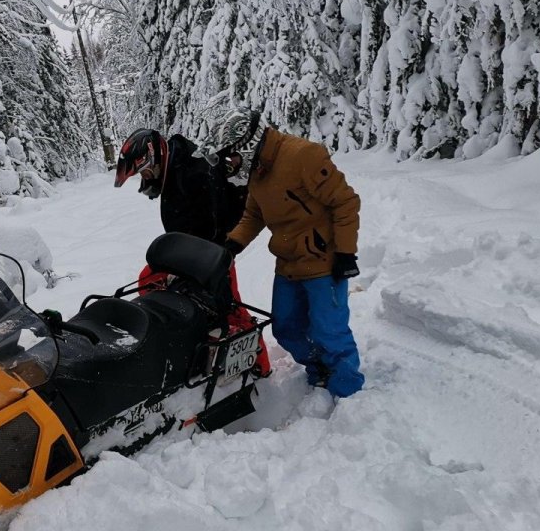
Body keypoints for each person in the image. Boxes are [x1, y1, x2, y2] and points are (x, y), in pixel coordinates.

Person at [212, 110, 364, 397]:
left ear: (247, 142)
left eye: (231, 155)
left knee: (329, 331)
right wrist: (232, 245)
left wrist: (346, 253)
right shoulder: (259, 169)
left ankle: (347, 391)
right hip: (288, 263)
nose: (230, 162)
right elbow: (253, 214)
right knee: (286, 328)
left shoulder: (303, 156)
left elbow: (346, 202)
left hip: (323, 263)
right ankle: (319, 369)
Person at [115, 129, 270, 375]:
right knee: (148, 281)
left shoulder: (194, 173)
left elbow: (215, 223)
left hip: (213, 252)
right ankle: (180, 340)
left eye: (144, 171)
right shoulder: (176, 166)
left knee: (227, 308)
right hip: (187, 249)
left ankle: (258, 365)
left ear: (155, 158)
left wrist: (190, 268)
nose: (145, 178)